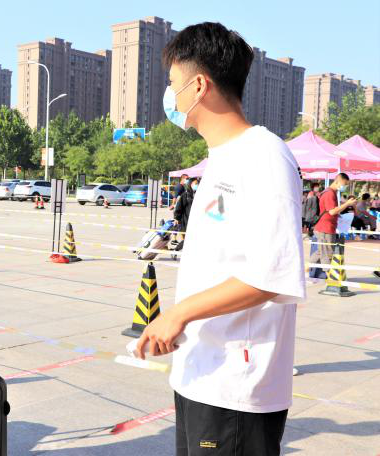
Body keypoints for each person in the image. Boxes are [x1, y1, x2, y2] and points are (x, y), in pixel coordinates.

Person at [137, 22, 306, 456]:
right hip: (201, 373)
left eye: (172, 83)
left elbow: (270, 275)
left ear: (198, 85)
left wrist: (179, 314)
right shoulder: (221, 159)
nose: (170, 96)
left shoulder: (264, 156)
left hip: (236, 389)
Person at [309, 174, 357, 278]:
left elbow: (329, 211)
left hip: (325, 227)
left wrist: (338, 215)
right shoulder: (330, 193)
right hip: (325, 228)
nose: (345, 187)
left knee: (321, 251)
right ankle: (331, 279)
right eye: (344, 184)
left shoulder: (330, 192)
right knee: (327, 253)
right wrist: (347, 203)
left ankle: (304, 269)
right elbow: (332, 211)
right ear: (337, 181)